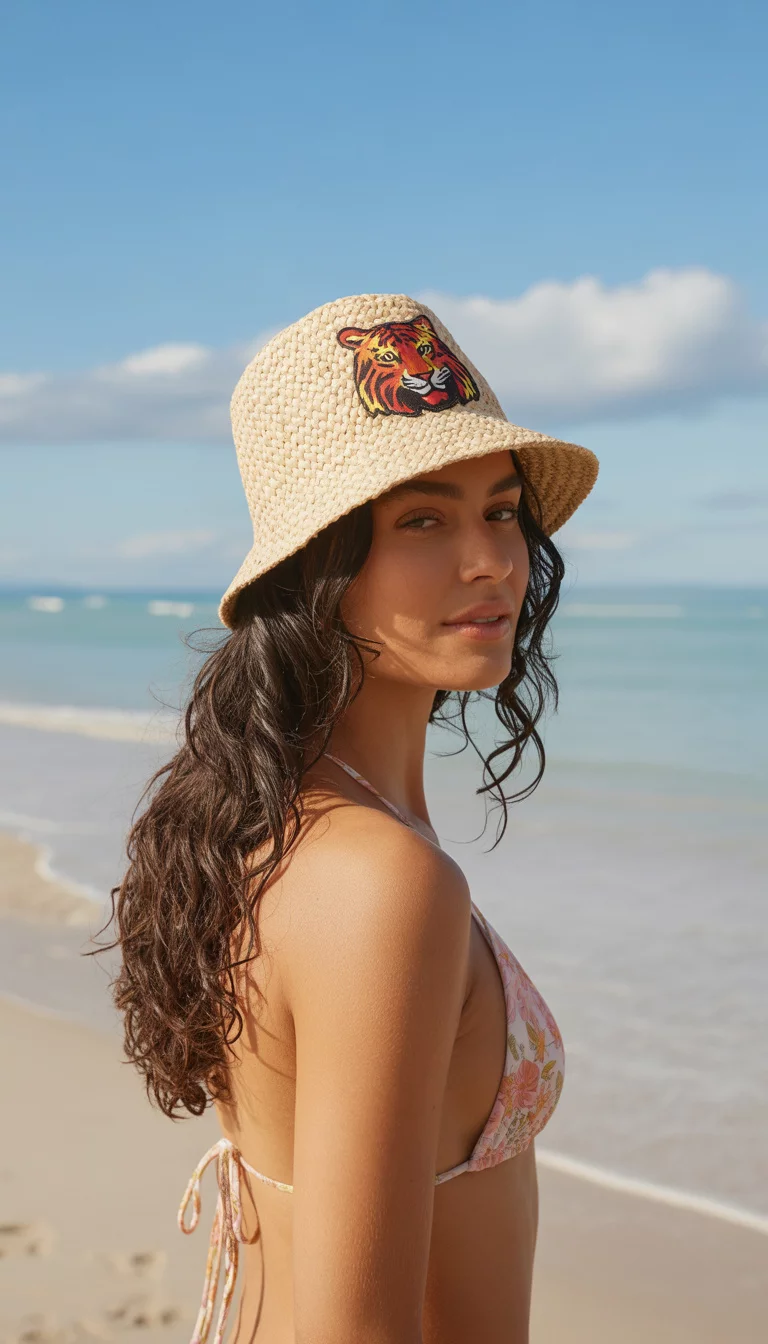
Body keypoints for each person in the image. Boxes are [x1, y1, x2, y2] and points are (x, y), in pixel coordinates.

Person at [106, 294, 599, 1344]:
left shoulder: (274, 822)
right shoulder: (383, 883)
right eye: (421, 519)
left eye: (502, 510)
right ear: (317, 568)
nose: (490, 560)